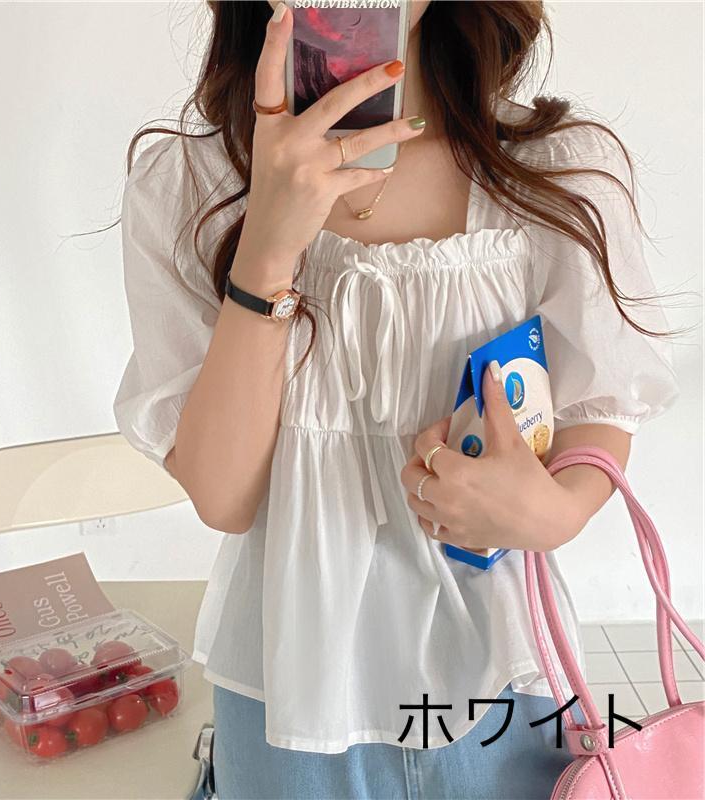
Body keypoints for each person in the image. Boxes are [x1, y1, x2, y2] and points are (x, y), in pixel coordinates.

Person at [113, 2, 681, 798]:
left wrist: (558, 512)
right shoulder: (188, 183)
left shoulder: (554, 168)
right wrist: (270, 240)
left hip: (503, 671)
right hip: (292, 687)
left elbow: (601, 403)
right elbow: (224, 494)